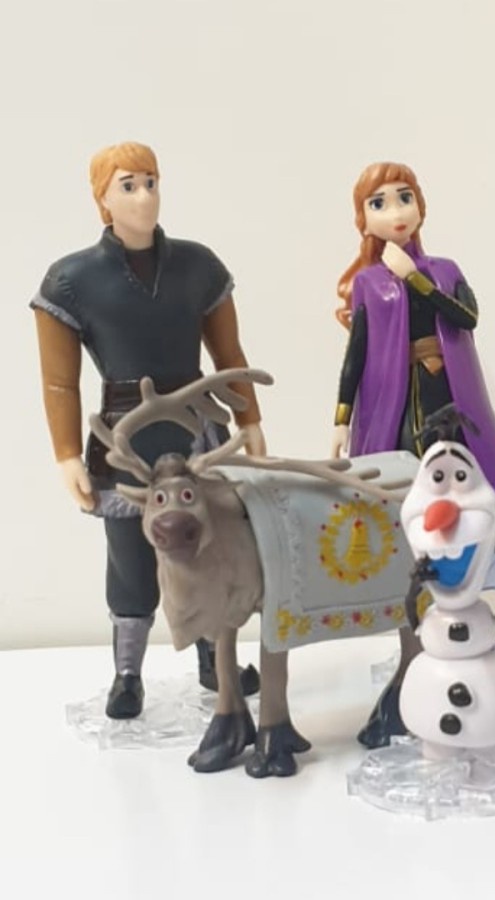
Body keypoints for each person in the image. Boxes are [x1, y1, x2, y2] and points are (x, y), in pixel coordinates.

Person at [31, 142, 264, 719]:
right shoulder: (71, 280)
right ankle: (128, 674)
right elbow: (59, 382)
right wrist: (66, 453)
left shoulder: (198, 266)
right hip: (124, 440)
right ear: (102, 198)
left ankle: (215, 659)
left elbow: (230, 354)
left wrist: (250, 420)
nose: (145, 196)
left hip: (195, 434)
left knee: (208, 545)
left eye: (152, 182)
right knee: (130, 558)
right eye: (129, 185)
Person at [331, 161, 495, 745]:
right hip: (397, 408)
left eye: (404, 198)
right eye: (379, 203)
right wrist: (341, 419)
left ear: (420, 206)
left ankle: (472, 610)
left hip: (450, 399)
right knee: (413, 511)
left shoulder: (443, 270)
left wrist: (416, 280)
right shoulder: (367, 284)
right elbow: (356, 354)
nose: (395, 212)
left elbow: (467, 317)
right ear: (363, 218)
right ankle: (420, 626)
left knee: (472, 505)